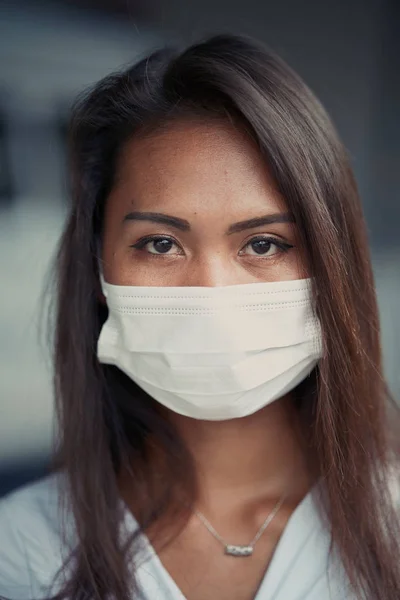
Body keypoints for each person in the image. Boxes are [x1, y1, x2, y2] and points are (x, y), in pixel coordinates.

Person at [0, 33, 399, 600]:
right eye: (160, 244)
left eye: (263, 244)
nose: (211, 293)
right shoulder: (22, 548)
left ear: (332, 269)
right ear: (98, 268)